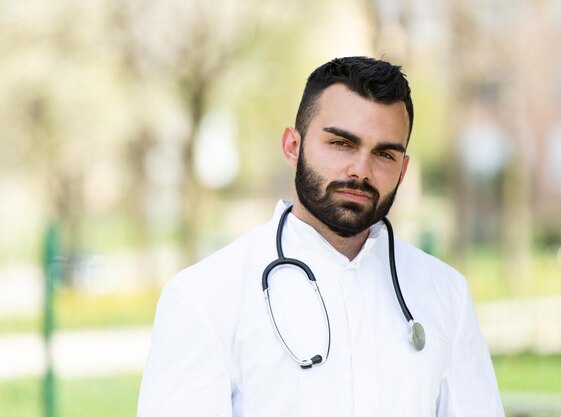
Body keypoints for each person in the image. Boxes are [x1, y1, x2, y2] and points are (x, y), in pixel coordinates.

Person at [138, 56, 504, 417]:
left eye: (384, 153)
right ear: (292, 147)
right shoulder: (205, 297)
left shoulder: (446, 294)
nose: (361, 170)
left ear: (403, 169)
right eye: (341, 144)